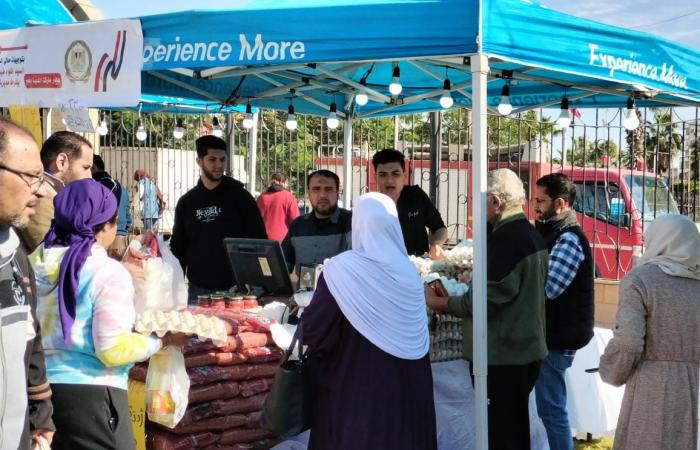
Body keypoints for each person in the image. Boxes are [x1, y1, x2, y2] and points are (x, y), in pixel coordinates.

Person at [29, 179, 186, 450]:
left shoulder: (34, 263)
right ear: (108, 226)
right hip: (92, 396)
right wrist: (160, 341)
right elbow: (112, 349)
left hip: (36, 392)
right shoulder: (105, 272)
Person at [425, 168, 548, 450]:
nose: (475, 208)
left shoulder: (506, 240)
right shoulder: (528, 234)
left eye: (478, 201)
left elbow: (484, 302)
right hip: (522, 350)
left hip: (504, 356)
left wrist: (442, 303)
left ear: (494, 200)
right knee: (513, 427)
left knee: (503, 432)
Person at [303, 192, 437, 450]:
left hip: (358, 387)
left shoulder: (341, 269)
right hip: (411, 387)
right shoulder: (409, 272)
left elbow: (314, 329)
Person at [599, 214, 700, 450]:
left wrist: (610, 370)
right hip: (694, 382)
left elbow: (629, 342)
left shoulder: (641, 280)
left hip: (652, 385)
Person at [0, 118, 55, 450]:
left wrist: (40, 416)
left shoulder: (16, 253)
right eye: (31, 177)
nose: (40, 188)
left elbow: (30, 340)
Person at [533, 173, 594, 450]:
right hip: (553, 334)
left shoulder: (568, 239)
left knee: (552, 410)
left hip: (557, 339)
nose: (535, 206)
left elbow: (547, 288)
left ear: (560, 203)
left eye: (540, 200)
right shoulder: (552, 232)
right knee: (549, 408)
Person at [170, 135, 267, 304]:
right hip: (198, 293)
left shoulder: (241, 198)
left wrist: (255, 280)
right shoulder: (187, 203)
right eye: (212, 159)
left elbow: (259, 242)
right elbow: (179, 249)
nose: (219, 165)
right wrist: (174, 288)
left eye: (222, 159)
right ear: (199, 161)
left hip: (236, 291)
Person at [19, 131, 94, 253]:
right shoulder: (41, 196)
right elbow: (49, 254)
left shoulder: (58, 194)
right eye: (85, 167)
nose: (90, 176)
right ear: (61, 162)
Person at [372, 148, 447, 258]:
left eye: (395, 174)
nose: (389, 180)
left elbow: (440, 228)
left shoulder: (416, 196)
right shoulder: (371, 206)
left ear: (404, 176)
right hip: (384, 269)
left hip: (418, 267)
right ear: (376, 178)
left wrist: (436, 244)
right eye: (383, 175)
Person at [281, 170, 351, 278]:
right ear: (309, 193)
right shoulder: (297, 226)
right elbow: (282, 267)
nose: (322, 195)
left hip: (339, 294)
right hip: (304, 294)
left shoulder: (351, 223)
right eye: (316, 189)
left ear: (338, 193)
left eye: (328, 189)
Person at [93, 155, 132, 260]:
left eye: (87, 168)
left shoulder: (97, 185)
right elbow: (128, 219)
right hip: (121, 239)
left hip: (104, 238)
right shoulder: (121, 187)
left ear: (94, 167)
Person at [256, 172, 300, 242]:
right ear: (284, 182)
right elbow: (295, 222)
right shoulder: (289, 197)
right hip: (282, 240)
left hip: (262, 238)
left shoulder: (261, 197)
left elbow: (256, 219)